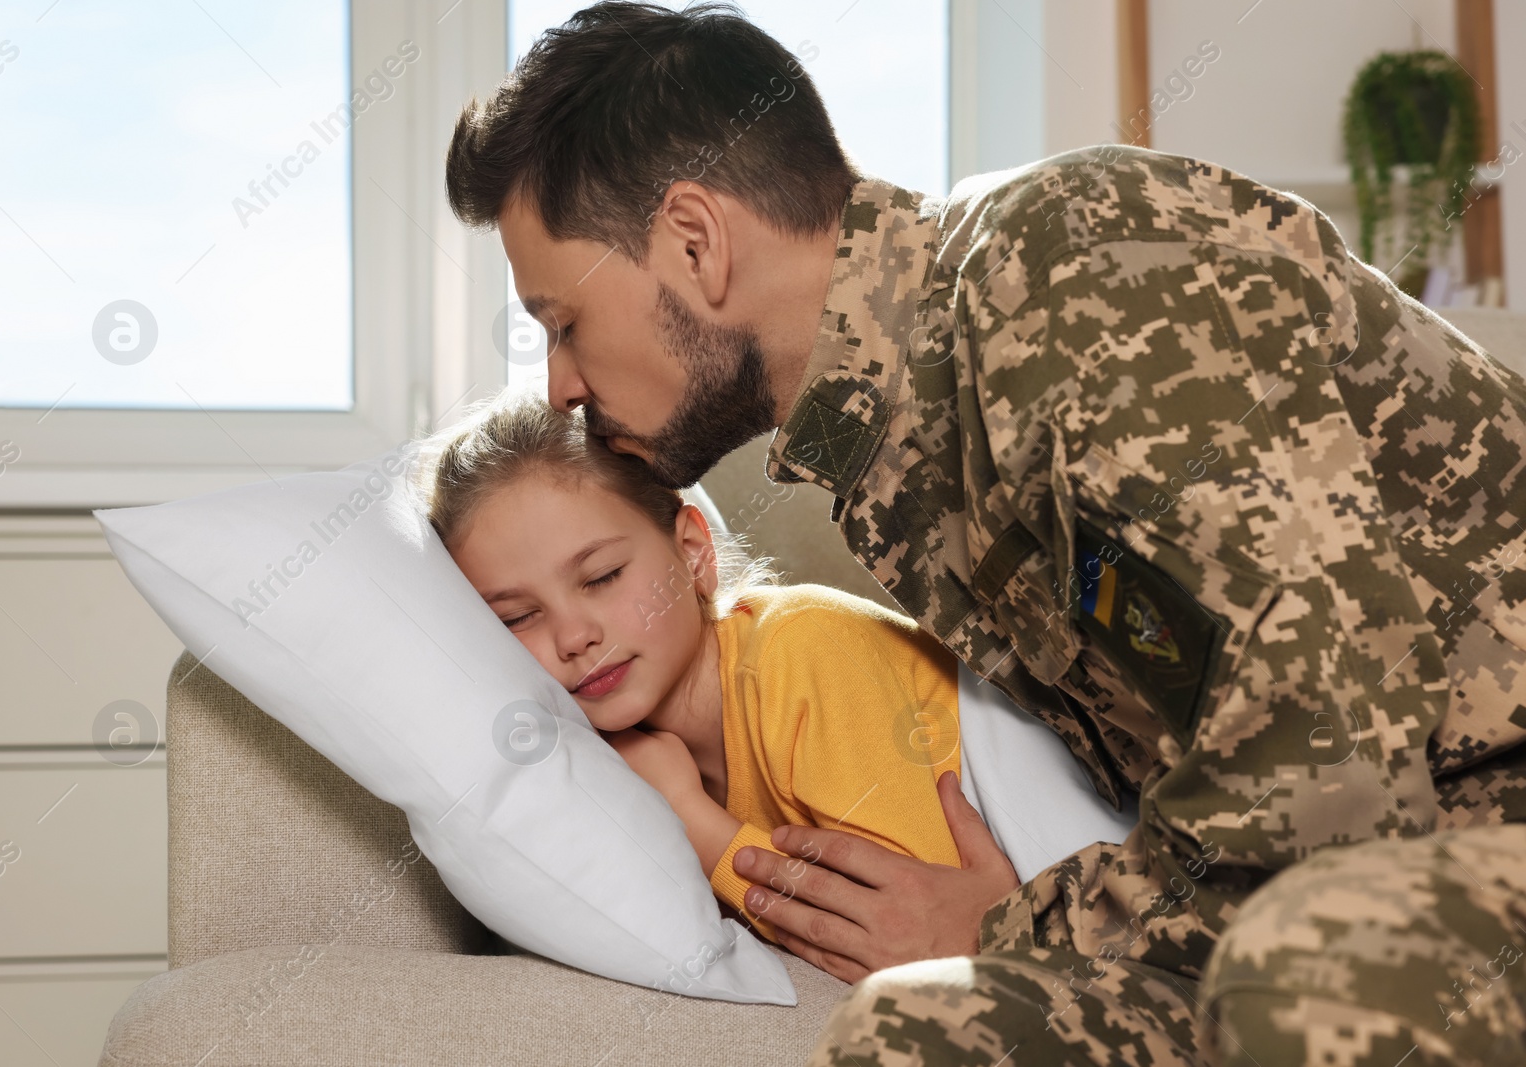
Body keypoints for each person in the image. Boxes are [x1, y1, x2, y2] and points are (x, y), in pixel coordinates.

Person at [441, 3, 1526, 1063]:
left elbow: (1326, 753)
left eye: (562, 322)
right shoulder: (892, 449)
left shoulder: (1064, 267)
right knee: (909, 1031)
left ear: (693, 240)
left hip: (1459, 836)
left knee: (1304, 977)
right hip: (1362, 880)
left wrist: (1015, 931)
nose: (561, 385)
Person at [421, 385, 1025, 948]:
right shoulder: (604, 761)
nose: (575, 637)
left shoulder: (802, 648)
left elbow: (913, 928)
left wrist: (693, 823)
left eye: (602, 577)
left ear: (691, 552)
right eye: (518, 617)